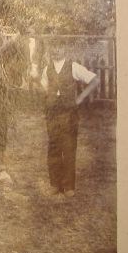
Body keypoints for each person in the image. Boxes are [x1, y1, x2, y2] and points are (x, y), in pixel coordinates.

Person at [40, 44, 99, 198]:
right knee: (53, 147)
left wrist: (80, 98)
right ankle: (55, 184)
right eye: (53, 47)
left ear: (65, 49)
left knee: (68, 147)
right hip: (52, 113)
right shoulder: (46, 69)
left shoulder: (73, 67)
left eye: (59, 47)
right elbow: (45, 89)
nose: (56, 50)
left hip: (69, 114)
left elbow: (95, 80)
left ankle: (68, 186)